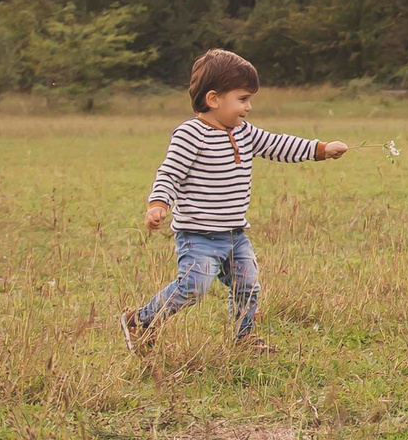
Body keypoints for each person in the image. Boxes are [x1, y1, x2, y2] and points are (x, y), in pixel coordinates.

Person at [122, 50, 348, 350]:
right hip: (198, 235)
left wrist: (321, 149)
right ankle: (141, 320)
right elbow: (170, 173)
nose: (248, 107)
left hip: (234, 234)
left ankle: (244, 338)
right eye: (243, 99)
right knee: (193, 287)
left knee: (248, 285)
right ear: (214, 99)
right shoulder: (190, 135)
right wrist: (158, 204)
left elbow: (279, 145)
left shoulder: (244, 132)